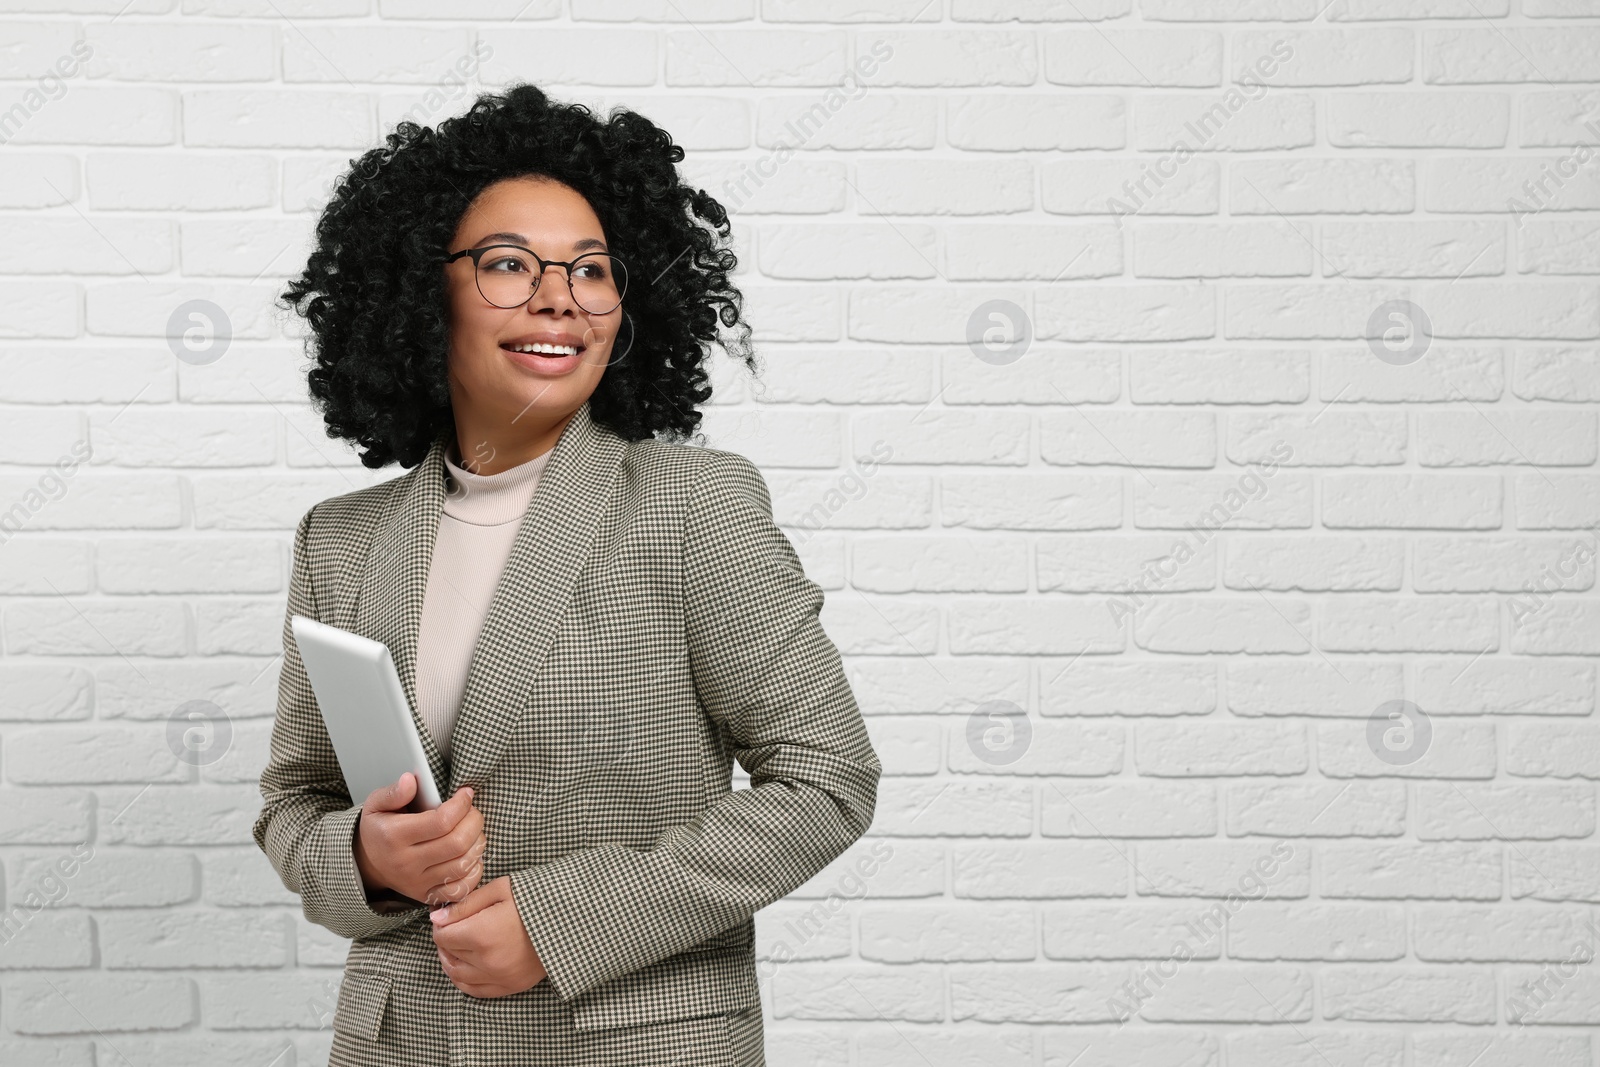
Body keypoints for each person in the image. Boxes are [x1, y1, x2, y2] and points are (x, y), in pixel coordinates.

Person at [251, 83, 882, 1067]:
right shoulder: (339, 541)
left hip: (625, 1040)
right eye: (508, 263)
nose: (559, 296)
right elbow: (295, 799)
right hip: (402, 1038)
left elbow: (824, 778)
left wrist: (559, 920)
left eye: (591, 268)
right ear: (423, 291)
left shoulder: (690, 506)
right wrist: (367, 857)